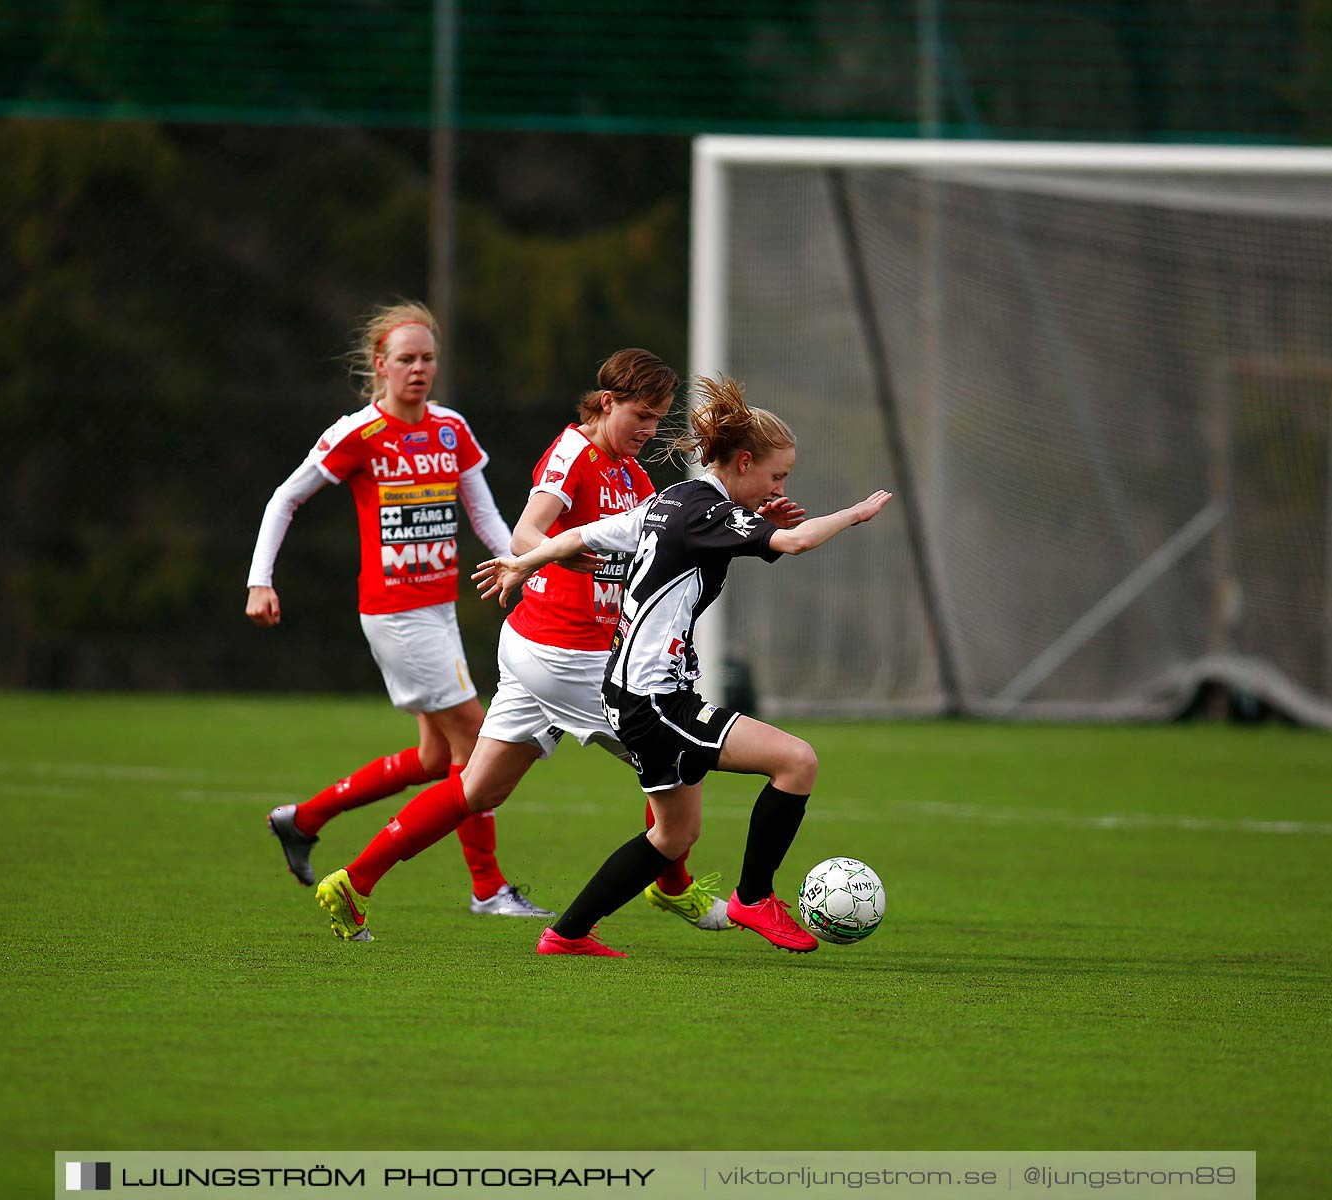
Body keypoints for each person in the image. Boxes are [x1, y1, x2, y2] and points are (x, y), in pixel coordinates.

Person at [313, 349, 804, 942]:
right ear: (606, 402)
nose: (648, 431)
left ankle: (353, 880)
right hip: (565, 651)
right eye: (640, 415)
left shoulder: (633, 473)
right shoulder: (574, 451)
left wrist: (752, 515)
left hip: (544, 647)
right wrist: (564, 551)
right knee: (672, 747)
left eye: (658, 419)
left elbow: (674, 538)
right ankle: (669, 887)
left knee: (480, 786)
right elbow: (526, 532)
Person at [472, 375, 892, 956]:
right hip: (654, 697)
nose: (780, 486)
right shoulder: (702, 512)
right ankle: (753, 897)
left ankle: (565, 935)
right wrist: (856, 513)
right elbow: (793, 545)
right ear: (743, 461)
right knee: (796, 762)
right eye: (776, 475)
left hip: (633, 691)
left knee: (674, 835)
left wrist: (524, 562)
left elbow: (585, 536)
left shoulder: (675, 502)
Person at [246, 300, 552, 926]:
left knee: (439, 761)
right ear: (379, 366)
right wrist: (259, 582)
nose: (419, 369)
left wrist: (527, 564)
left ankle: (303, 820)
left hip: (437, 608)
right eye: (405, 359)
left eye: (428, 357)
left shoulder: (450, 429)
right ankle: (488, 888)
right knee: (477, 740)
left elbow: (486, 516)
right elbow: (285, 498)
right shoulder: (357, 434)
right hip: (395, 612)